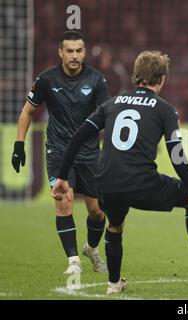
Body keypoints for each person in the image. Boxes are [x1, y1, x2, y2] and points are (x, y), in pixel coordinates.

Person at [51, 50, 188, 294]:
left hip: (105, 183)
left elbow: (77, 138)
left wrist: (62, 177)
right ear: (161, 80)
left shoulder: (111, 104)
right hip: (141, 183)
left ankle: (113, 284)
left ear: (135, 77)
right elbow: (177, 157)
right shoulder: (165, 109)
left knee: (115, 226)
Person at [12, 31, 109, 275]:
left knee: (97, 212)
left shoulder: (97, 80)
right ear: (60, 52)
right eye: (69, 51)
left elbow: (108, 118)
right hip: (58, 151)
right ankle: (73, 261)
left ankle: (91, 249)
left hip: (89, 153)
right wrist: (18, 146)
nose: (74, 56)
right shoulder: (46, 80)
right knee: (64, 202)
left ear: (84, 52)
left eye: (79, 51)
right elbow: (27, 112)